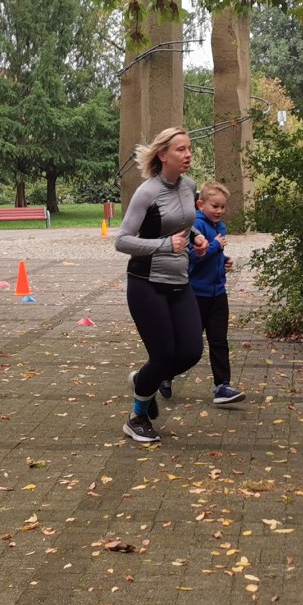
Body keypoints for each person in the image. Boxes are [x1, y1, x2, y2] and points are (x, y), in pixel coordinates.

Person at [114, 127, 209, 443]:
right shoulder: (147, 192)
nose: (188, 154)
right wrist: (164, 246)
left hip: (180, 282)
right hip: (145, 283)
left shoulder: (189, 186)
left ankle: (143, 379)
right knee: (164, 354)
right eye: (181, 149)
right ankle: (137, 416)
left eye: (189, 148)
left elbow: (185, 221)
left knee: (192, 351)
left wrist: (197, 238)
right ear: (163, 155)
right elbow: (123, 241)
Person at [159, 181, 246, 404]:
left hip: (218, 294)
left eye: (222, 207)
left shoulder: (220, 227)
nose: (219, 211)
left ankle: (222, 387)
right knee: (188, 345)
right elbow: (190, 260)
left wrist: (224, 262)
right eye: (214, 206)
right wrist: (215, 248)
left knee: (219, 341)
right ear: (200, 204)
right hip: (195, 296)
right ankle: (165, 374)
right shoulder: (193, 227)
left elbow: (210, 257)